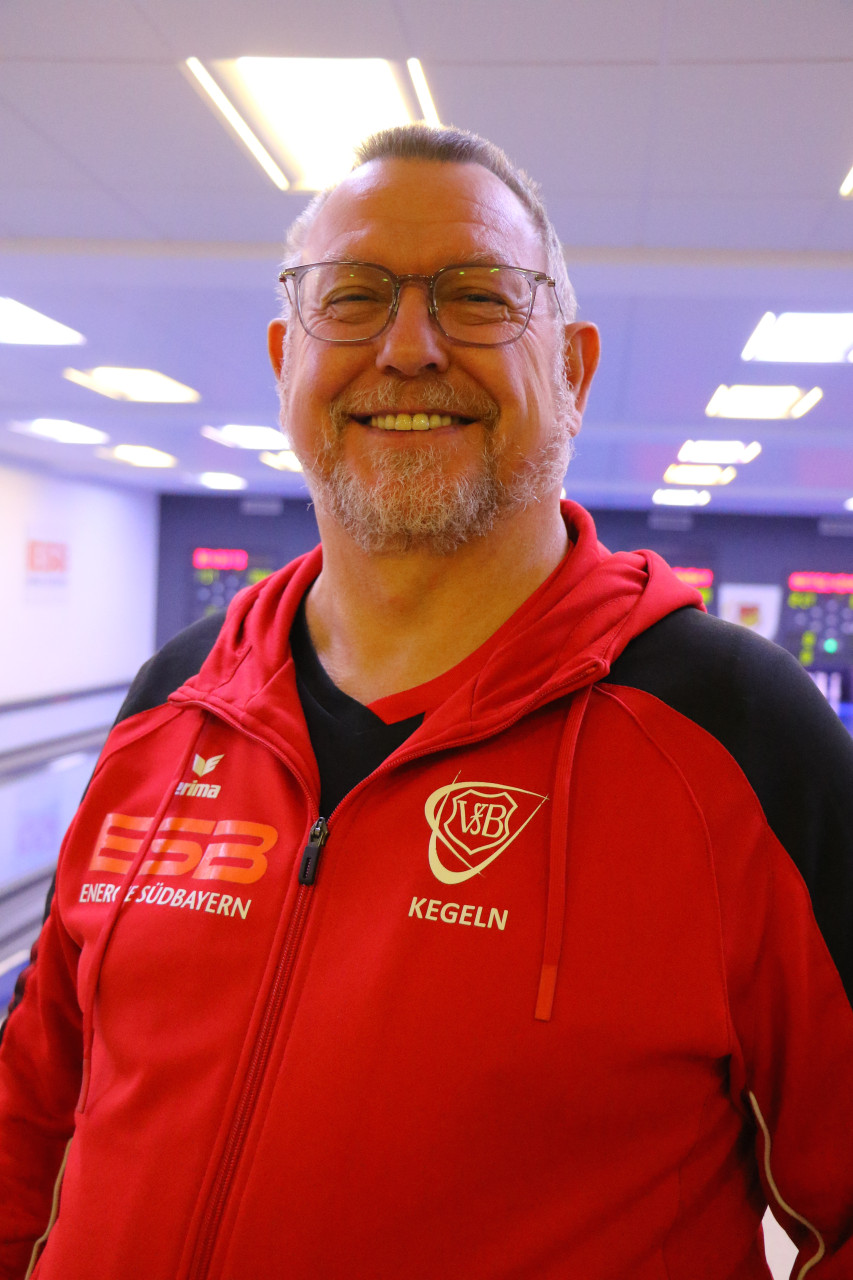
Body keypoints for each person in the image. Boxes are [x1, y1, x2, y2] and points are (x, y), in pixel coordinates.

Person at [1, 123, 852, 1280]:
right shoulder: (175, 702)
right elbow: (31, 1113)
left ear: (573, 371)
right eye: (351, 298)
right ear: (284, 362)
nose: (407, 347)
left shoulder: (736, 735)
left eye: (478, 296)